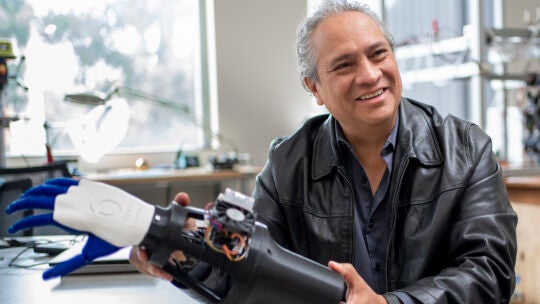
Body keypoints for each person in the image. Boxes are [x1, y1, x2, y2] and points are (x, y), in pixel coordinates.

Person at [130, 1, 518, 303]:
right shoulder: (287, 164)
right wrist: (185, 257)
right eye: (344, 65)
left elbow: (490, 274)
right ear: (313, 88)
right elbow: (246, 274)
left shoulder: (467, 150)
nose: (369, 74)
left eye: (378, 54)